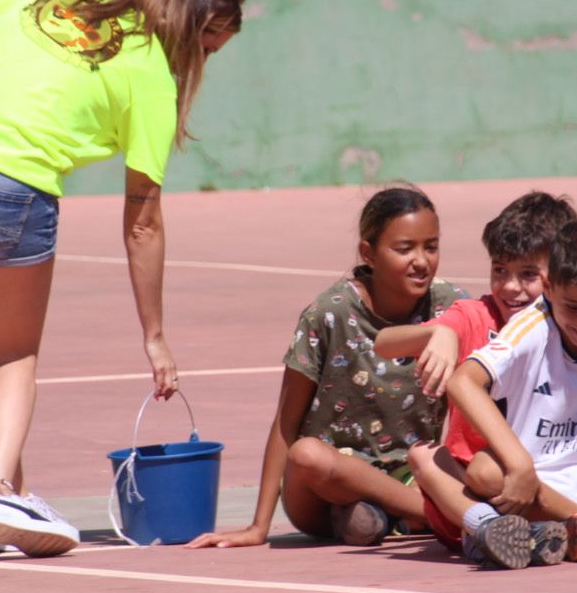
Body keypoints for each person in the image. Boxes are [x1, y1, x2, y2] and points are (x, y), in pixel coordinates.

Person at [0, 0, 247, 556]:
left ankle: (11, 493)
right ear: (193, 29)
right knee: (13, 349)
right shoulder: (152, 75)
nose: (206, 60)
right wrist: (154, 335)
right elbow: (143, 220)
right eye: (211, 45)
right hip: (2, 186)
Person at [187, 185, 469, 548]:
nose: (421, 260)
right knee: (306, 455)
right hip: (326, 481)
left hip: (414, 471)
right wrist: (258, 527)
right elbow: (286, 424)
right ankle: (444, 515)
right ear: (368, 253)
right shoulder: (330, 313)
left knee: (445, 478)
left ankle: (381, 517)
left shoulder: (454, 306)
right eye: (404, 249)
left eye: (431, 246)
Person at [374, 191, 577, 553]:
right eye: (500, 270)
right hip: (468, 489)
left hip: (541, 480)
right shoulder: (474, 316)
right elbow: (384, 343)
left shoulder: (576, 323)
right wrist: (439, 332)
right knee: (425, 457)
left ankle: (547, 530)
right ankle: (485, 530)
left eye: (528, 274)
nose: (511, 287)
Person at [443, 216, 577, 569]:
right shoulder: (531, 327)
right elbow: (462, 382)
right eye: (573, 307)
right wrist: (520, 464)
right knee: (483, 471)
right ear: (549, 287)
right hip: (536, 486)